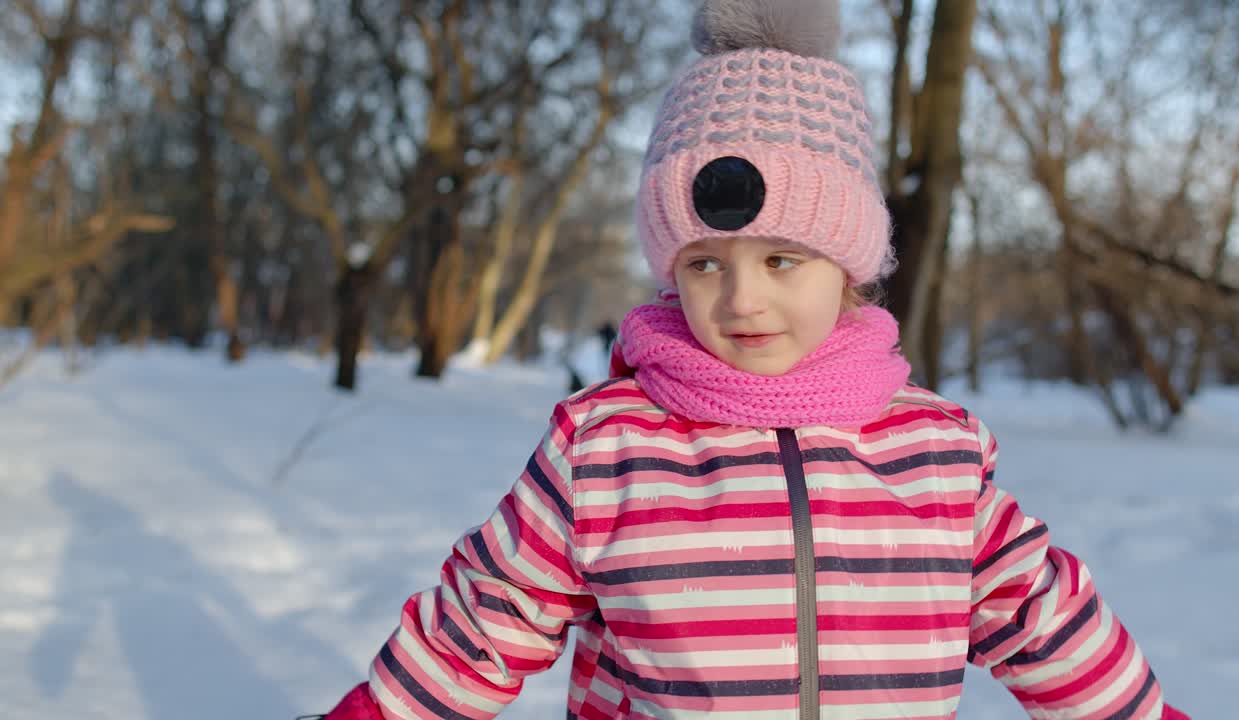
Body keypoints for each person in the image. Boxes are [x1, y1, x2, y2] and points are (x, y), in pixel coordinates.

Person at [316, 1, 1189, 717]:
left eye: (782, 260)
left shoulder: (935, 455)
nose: (741, 300)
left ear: (846, 262)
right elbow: (484, 620)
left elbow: (1047, 618)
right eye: (704, 264)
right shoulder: (608, 449)